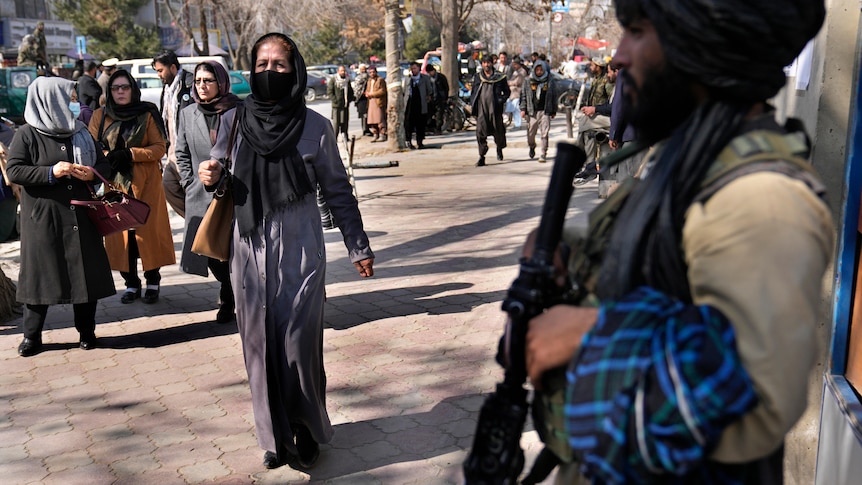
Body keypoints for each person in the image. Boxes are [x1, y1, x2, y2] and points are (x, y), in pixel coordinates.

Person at [523, 0, 831, 482]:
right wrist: (566, 252)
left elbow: (757, 397)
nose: (619, 56)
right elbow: (662, 261)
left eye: (638, 32)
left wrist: (593, 332)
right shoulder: (690, 153)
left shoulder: (762, 196)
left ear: (698, 45)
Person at [197, 32, 375, 472]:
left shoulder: (316, 127)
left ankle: (307, 429)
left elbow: (338, 190)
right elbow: (221, 177)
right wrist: (212, 177)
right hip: (248, 252)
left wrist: (358, 246)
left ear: (295, 71)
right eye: (262, 64)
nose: (270, 71)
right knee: (258, 347)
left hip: (301, 253)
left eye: (279, 64)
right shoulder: (234, 120)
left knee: (298, 346)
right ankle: (274, 437)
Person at [6, 77, 115, 357]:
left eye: (74, 98)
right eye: (70, 98)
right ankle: (31, 336)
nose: (74, 103)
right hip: (44, 219)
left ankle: (87, 332)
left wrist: (93, 173)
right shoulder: (27, 134)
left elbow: (103, 164)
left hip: (82, 216)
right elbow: (15, 170)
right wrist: (50, 172)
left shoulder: (80, 130)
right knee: (39, 279)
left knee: (84, 277)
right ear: (50, 100)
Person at [88, 69, 174, 305]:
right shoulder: (100, 115)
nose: (120, 92)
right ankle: (131, 284)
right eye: (115, 88)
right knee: (122, 235)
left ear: (133, 89)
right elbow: (91, 147)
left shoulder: (146, 113)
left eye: (125, 87)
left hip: (146, 184)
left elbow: (159, 148)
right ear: (109, 91)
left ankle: (153, 281)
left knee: (148, 235)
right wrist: (109, 156)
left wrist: (131, 154)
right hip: (114, 185)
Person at [175, 61, 240, 324]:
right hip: (200, 194)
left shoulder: (238, 110)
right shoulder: (188, 113)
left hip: (234, 193)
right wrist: (189, 181)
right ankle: (228, 287)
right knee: (207, 248)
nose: (202, 86)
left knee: (234, 248)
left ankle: (231, 298)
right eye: (198, 81)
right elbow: (181, 153)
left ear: (221, 82)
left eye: (208, 80)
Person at [153, 50, 195, 218]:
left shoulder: (190, 84)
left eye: (160, 70)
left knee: (193, 193)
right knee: (169, 187)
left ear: (172, 67)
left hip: (189, 153)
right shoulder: (167, 89)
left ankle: (201, 224)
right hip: (172, 153)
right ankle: (196, 221)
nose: (159, 75)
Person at [572, 57, 615, 182]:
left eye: (592, 65)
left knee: (585, 123)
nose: (590, 67)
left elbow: (612, 105)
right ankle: (586, 164)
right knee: (586, 131)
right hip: (597, 114)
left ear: (598, 67)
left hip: (606, 116)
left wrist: (595, 109)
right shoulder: (596, 79)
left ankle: (584, 163)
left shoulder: (607, 81)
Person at [471, 56, 509, 166]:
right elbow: (474, 92)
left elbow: (507, 92)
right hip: (482, 109)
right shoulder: (478, 77)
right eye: (484, 63)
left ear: (492, 63)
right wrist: (473, 105)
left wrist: (501, 100)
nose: (486, 65)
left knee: (498, 131)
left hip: (495, 109)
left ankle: (499, 148)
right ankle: (482, 156)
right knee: (480, 132)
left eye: (488, 62)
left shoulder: (499, 77)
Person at [520, 60, 556, 163]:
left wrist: (553, 110)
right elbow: (523, 95)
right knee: (531, 133)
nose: (539, 72)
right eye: (537, 70)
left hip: (545, 111)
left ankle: (543, 153)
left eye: (541, 70)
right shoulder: (528, 81)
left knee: (544, 133)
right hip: (532, 111)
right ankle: (532, 146)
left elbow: (554, 96)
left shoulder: (549, 81)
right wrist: (523, 109)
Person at [402, 61, 433, 149]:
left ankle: (420, 141)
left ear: (419, 69)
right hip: (410, 103)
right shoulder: (408, 79)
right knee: (408, 123)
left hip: (421, 103)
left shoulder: (425, 78)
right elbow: (404, 91)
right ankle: (408, 141)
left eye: (415, 68)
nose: (413, 70)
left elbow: (429, 90)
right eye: (412, 69)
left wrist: (428, 97)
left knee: (420, 124)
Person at [326, 65, 355, 143]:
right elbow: (330, 92)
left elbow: (350, 92)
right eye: (341, 71)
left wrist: (349, 100)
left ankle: (345, 138)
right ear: (338, 71)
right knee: (336, 124)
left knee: (345, 123)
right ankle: (334, 139)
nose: (343, 72)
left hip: (345, 105)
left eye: (344, 71)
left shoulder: (347, 80)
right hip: (336, 107)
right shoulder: (333, 80)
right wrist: (335, 100)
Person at [364, 65, 387, 142]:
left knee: (380, 119)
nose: (372, 74)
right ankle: (375, 134)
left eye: (373, 72)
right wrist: (367, 93)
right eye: (370, 72)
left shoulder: (380, 80)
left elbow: (382, 91)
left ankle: (382, 134)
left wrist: (372, 94)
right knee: (372, 119)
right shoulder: (369, 81)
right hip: (370, 101)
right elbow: (367, 90)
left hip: (378, 101)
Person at [426, 65, 448, 135]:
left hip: (440, 99)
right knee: (429, 115)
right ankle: (431, 128)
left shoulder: (441, 77)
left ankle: (438, 129)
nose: (430, 74)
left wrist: (445, 98)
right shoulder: (427, 79)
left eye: (430, 72)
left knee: (439, 115)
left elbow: (446, 88)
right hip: (431, 100)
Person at [506, 56, 526, 129]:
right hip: (512, 93)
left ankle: (518, 124)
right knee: (513, 109)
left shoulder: (522, 72)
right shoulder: (515, 71)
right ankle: (515, 123)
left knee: (517, 109)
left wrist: (509, 83)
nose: (514, 66)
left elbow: (517, 82)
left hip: (518, 92)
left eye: (515, 64)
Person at [353, 64, 371, 136]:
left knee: (368, 115)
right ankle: (365, 130)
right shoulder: (358, 78)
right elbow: (356, 89)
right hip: (361, 99)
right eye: (362, 69)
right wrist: (362, 93)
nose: (364, 70)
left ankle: (368, 129)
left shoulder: (369, 77)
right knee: (363, 115)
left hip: (368, 98)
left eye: (364, 69)